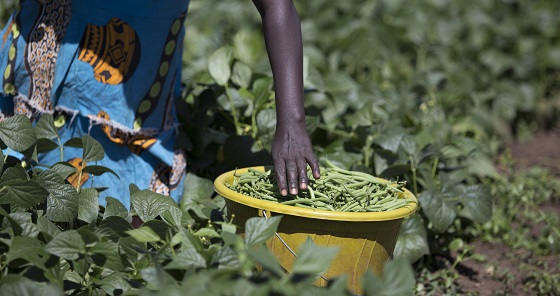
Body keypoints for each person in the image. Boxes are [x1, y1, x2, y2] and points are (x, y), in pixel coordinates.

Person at [0, 0, 320, 209]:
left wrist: (292, 122)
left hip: (141, 97)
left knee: (131, 224)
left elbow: (277, 5)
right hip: (41, 65)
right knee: (20, 187)